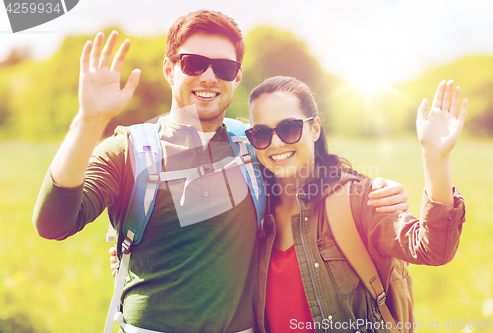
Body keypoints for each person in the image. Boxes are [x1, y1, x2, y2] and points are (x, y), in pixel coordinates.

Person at [33, 10, 409, 333]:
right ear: (170, 69)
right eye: (194, 63)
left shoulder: (254, 142)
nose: (209, 76)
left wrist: (370, 186)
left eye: (224, 67)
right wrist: (89, 119)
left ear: (236, 77)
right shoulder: (128, 149)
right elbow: (53, 224)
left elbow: (308, 165)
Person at [240, 76, 466, 332]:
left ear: (315, 129)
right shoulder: (254, 212)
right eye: (260, 134)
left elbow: (433, 249)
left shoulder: (357, 198)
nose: (276, 143)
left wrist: (435, 157)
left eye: (289, 128)